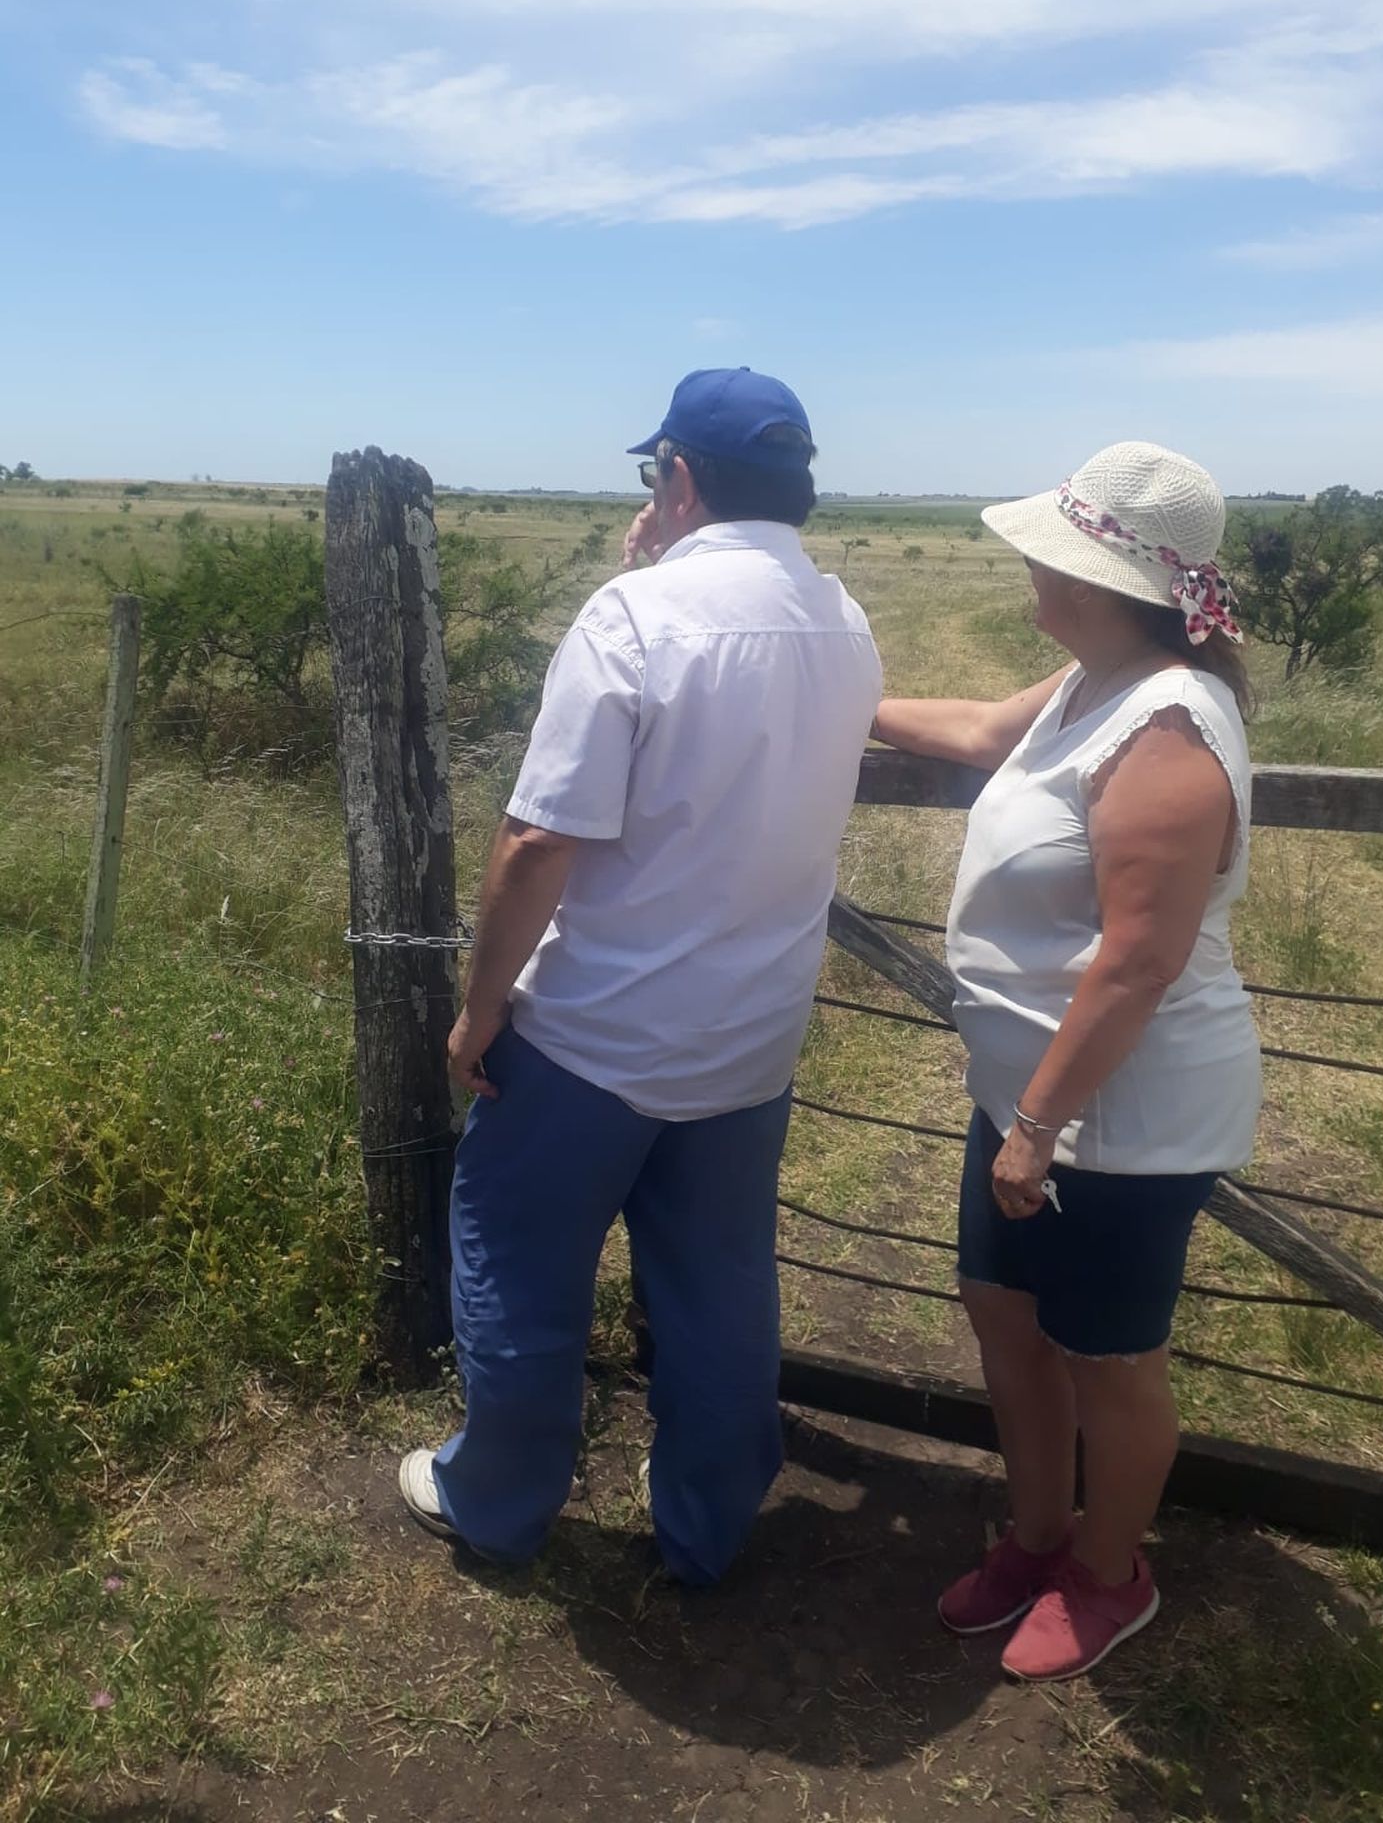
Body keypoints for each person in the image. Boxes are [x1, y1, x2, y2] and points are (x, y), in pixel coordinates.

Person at [399, 367, 883, 1584]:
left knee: (519, 1260)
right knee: (720, 1286)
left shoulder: (631, 620)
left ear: (678, 479)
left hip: (593, 1034)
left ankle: (498, 1501)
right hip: (750, 1039)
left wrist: (478, 1008)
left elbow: (540, 839)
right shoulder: (847, 622)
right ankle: (708, 1526)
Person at [873, 441, 1260, 1682]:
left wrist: (1039, 1124)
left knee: (1109, 1355)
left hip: (1113, 1115)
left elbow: (1139, 960)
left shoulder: (1171, 726)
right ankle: (1038, 1536)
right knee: (1005, 1315)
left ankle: (1109, 1572)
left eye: (1050, 548)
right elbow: (984, 729)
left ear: (1097, 575)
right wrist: (834, 701)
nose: (1028, 562)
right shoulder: (1097, 678)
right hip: (1032, 1093)